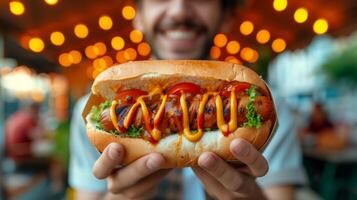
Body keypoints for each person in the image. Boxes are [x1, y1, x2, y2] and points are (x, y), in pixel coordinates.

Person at [69, 0, 307, 199]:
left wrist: (252, 198)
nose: (179, 9)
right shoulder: (86, 111)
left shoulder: (277, 112)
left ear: (225, 16)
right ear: (138, 17)